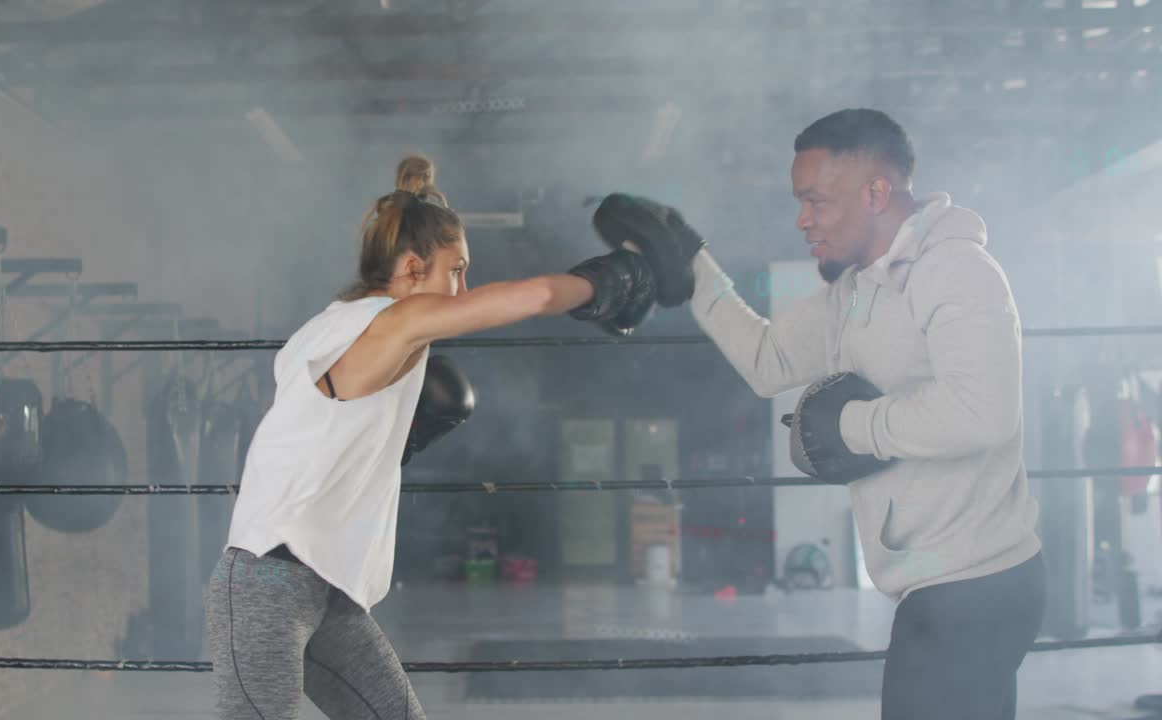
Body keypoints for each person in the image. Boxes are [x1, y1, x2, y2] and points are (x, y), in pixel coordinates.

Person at [596, 109, 1046, 720]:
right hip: (939, 587)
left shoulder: (956, 270)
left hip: (977, 585)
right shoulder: (856, 290)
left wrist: (851, 426)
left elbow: (984, 412)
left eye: (816, 201)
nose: (803, 220)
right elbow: (767, 358)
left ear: (876, 192)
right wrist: (693, 263)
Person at [203, 155, 658, 720]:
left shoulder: (330, 326)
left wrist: (386, 445)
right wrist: (611, 279)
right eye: (457, 270)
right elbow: (531, 297)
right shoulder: (392, 323)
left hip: (325, 589)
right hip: (267, 584)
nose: (463, 288)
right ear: (413, 269)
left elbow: (299, 438)